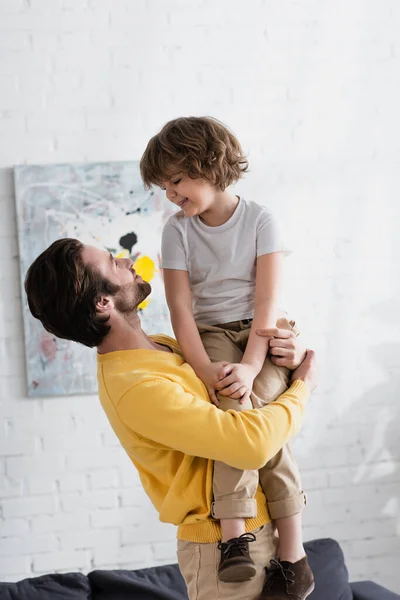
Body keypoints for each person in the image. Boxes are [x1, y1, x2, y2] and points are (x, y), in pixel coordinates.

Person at [24, 238, 316, 600]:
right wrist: (303, 386)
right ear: (103, 303)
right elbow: (249, 445)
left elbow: (251, 394)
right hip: (224, 554)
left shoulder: (166, 348)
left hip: (266, 527)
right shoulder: (135, 386)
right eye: (112, 264)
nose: (125, 261)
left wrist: (293, 351)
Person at [140, 116, 313, 596]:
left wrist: (253, 365)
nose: (171, 194)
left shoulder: (261, 220)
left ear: (207, 163)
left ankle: (292, 549)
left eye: (176, 180)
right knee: (242, 416)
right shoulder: (177, 231)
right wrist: (206, 372)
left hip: (264, 334)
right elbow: (180, 310)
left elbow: (266, 305)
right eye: (164, 186)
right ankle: (239, 538)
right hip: (212, 334)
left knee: (262, 417)